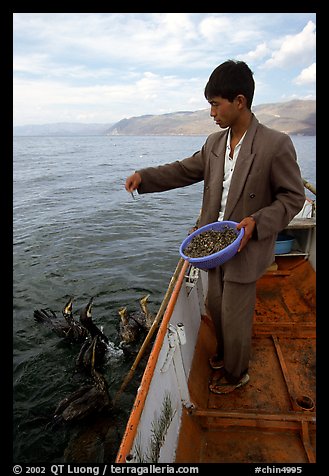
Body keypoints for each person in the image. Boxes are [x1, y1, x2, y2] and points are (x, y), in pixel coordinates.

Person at [125, 60, 305, 394]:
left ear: (239, 101)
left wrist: (257, 222)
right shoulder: (213, 144)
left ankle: (238, 376)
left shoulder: (275, 144)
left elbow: (292, 197)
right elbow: (182, 170)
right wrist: (144, 177)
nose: (212, 113)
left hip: (245, 246)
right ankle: (225, 353)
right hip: (213, 245)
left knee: (235, 318)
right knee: (215, 307)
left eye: (215, 104)